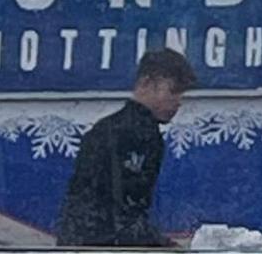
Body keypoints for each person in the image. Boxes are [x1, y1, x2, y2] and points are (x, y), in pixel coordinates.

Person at [56, 44, 195, 247]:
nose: (178, 102)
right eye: (173, 91)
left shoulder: (112, 129)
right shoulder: (131, 134)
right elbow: (119, 212)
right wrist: (162, 245)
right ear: (146, 83)